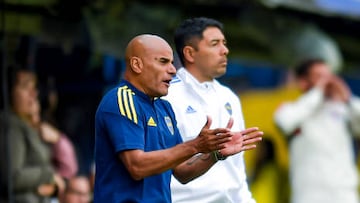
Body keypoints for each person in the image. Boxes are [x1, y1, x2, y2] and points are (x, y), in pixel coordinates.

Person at [93, 34, 263, 203]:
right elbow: (137, 166)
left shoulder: (164, 107)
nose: (173, 70)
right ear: (137, 65)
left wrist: (216, 154)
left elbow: (181, 171)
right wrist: (195, 145)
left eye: (172, 63)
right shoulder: (121, 100)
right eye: (163, 62)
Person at [163, 17, 257, 203]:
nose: (225, 50)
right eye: (215, 44)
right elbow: (170, 166)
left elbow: (237, 170)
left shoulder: (228, 96)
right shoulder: (168, 97)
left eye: (224, 43)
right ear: (190, 53)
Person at [274, 58, 360, 203]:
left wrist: (348, 98)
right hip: (309, 195)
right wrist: (318, 92)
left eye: (329, 76)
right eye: (320, 76)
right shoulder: (292, 109)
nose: (328, 81)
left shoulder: (344, 110)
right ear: (303, 82)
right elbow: (283, 122)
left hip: (344, 194)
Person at [0, 66, 65, 203]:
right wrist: (49, 175)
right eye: (25, 87)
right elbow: (12, 177)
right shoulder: (11, 125)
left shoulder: (27, 125)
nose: (33, 93)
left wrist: (52, 186)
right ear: (9, 92)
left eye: (34, 87)